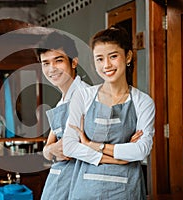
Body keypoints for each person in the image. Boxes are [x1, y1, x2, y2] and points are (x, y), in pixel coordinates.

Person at [63, 25, 155, 200]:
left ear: (128, 56)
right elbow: (69, 146)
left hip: (126, 191)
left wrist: (92, 145)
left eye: (113, 56)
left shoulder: (143, 102)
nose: (106, 65)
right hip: (85, 190)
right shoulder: (83, 96)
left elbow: (141, 150)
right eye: (99, 59)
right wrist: (118, 157)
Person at [36, 31, 90, 200]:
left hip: (81, 182)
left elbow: (74, 148)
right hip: (62, 181)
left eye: (58, 60)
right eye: (46, 63)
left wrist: (53, 150)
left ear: (74, 62)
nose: (51, 69)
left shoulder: (86, 96)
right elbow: (47, 149)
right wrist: (51, 150)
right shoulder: (62, 102)